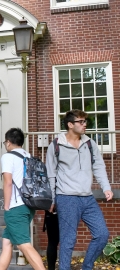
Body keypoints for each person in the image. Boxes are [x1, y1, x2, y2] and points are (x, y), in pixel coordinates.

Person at [46, 109, 113, 270]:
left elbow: (98, 166)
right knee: (68, 240)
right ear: (70, 124)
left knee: (102, 234)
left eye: (85, 122)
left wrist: (106, 187)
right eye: (81, 122)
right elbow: (51, 174)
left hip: (87, 197)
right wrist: (52, 199)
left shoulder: (89, 143)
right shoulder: (56, 145)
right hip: (66, 197)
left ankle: (87, 266)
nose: (85, 125)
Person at [0, 128, 45, 270]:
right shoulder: (28, 156)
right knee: (7, 243)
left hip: (15, 207)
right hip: (28, 206)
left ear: (9, 142)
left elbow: (8, 182)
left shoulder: (8, 156)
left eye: (5, 142)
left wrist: (6, 206)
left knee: (24, 244)